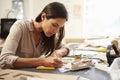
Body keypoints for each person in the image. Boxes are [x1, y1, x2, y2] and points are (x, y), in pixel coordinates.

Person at [0, 2, 69, 69]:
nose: (56, 31)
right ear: (43, 16)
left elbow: (65, 47)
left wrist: (58, 52)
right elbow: (4, 59)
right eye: (54, 25)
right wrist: (42, 61)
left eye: (59, 27)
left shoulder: (48, 34)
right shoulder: (20, 27)